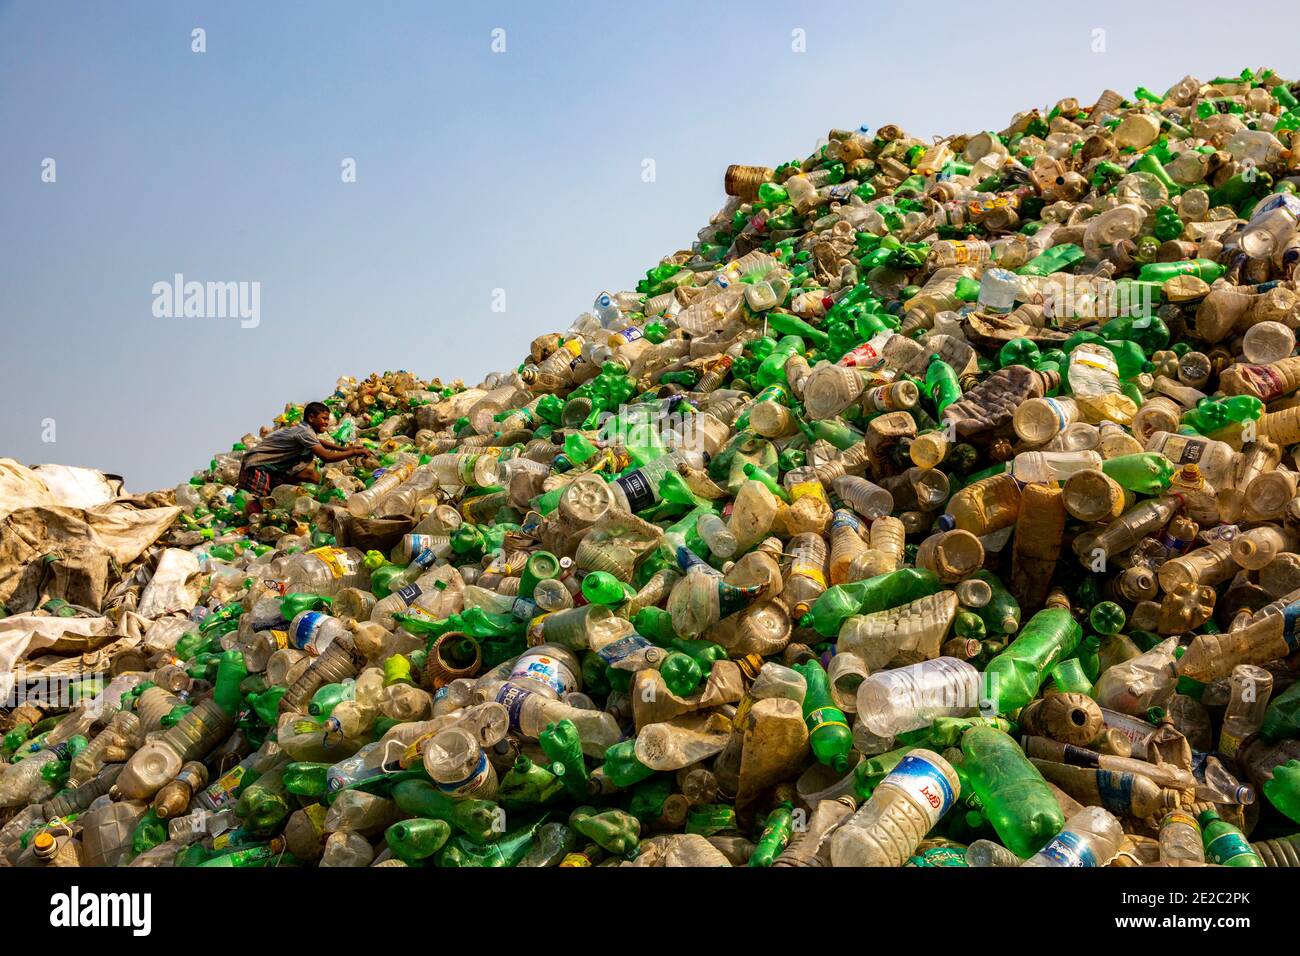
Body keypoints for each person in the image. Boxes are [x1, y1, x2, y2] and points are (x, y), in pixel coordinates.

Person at [236, 401, 368, 503]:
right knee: (259, 502)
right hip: (257, 465)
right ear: (311, 418)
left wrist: (345, 449)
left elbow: (319, 442)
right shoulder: (305, 432)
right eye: (324, 418)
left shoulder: (305, 430)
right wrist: (354, 452)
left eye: (328, 419)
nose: (326, 423)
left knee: (309, 475)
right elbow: (326, 457)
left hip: (268, 466)